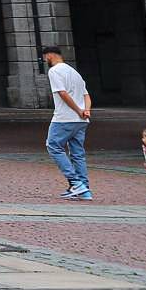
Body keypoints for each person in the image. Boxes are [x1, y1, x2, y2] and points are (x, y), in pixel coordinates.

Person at [42, 46, 92, 201]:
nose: (45, 60)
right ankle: (84, 190)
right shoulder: (74, 72)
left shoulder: (54, 71)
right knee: (78, 153)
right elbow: (86, 95)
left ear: (50, 55)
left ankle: (76, 183)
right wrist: (86, 110)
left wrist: (78, 110)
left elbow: (62, 93)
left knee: (53, 146)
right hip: (81, 120)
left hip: (64, 118)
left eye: (45, 57)